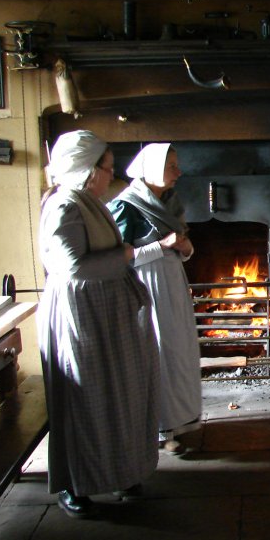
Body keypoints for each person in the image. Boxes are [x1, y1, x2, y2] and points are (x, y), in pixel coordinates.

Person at [37, 130, 160, 519]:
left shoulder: (90, 201)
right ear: (88, 171)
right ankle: (76, 483)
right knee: (84, 399)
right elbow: (73, 266)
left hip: (104, 312)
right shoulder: (64, 207)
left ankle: (120, 471)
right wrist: (124, 254)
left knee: (116, 393)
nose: (112, 175)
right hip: (81, 314)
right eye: (107, 168)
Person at [109, 144, 201, 454]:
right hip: (146, 289)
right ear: (151, 169)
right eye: (171, 166)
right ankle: (159, 429)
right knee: (158, 354)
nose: (179, 172)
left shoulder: (170, 203)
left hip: (172, 286)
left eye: (177, 165)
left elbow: (182, 249)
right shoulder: (126, 206)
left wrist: (185, 250)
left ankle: (178, 420)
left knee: (178, 352)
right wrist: (162, 246)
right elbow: (119, 259)